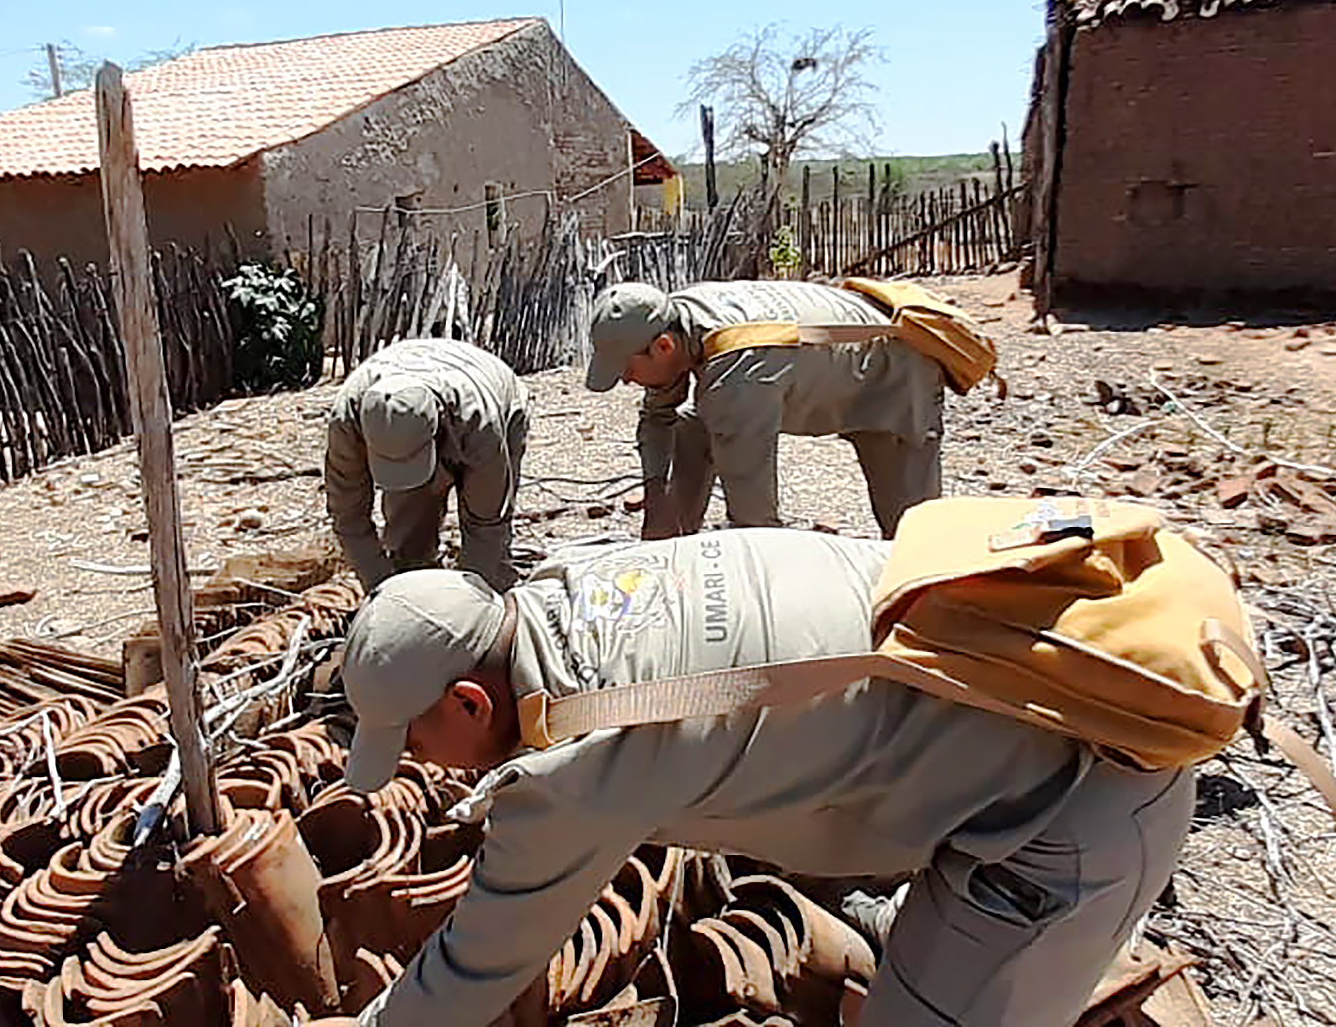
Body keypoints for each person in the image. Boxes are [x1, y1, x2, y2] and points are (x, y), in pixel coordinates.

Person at [332, 528, 1195, 1027]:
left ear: (474, 704)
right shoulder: (583, 581)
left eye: (410, 739)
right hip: (1026, 703)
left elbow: (469, 974)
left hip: (1070, 810)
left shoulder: (575, 765)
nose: (413, 762)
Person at [583, 280, 945, 540]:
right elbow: (658, 418)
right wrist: (656, 498)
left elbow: (754, 519)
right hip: (836, 353)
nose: (628, 381)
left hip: (895, 371)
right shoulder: (675, 319)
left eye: (628, 371)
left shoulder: (736, 376)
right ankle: (675, 541)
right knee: (692, 426)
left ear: (662, 347)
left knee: (913, 536)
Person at [325, 339, 528, 593]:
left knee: (490, 564)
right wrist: (382, 590)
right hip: (425, 395)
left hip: (496, 394)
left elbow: (486, 525)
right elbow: (348, 519)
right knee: (408, 538)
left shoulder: (480, 422)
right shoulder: (347, 421)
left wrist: (470, 605)